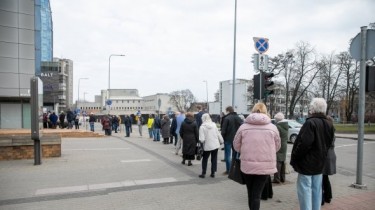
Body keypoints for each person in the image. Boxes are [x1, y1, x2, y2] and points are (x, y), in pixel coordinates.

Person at [233, 102, 281, 210]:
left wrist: (245, 150)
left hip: (247, 165)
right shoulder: (273, 128)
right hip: (265, 167)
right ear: (265, 111)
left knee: (251, 193)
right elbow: (277, 147)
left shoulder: (243, 127)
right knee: (257, 194)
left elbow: (236, 146)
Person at [290, 98, 335, 210]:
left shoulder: (310, 123)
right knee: (317, 190)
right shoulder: (329, 124)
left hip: (307, 164)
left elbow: (303, 144)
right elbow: (329, 143)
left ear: (313, 109)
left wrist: (295, 157)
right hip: (320, 162)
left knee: (305, 190)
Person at [198, 113, 224, 178]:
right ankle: (213, 173)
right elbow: (218, 134)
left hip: (207, 146)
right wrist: (221, 141)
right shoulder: (214, 125)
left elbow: (202, 139)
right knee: (214, 158)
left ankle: (203, 173)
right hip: (215, 145)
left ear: (203, 119)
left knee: (205, 159)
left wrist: (201, 142)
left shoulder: (202, 127)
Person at [221, 106, 243, 175]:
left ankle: (229, 170)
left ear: (228, 111)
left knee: (227, 155)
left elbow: (223, 130)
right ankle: (235, 169)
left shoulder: (227, 118)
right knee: (235, 155)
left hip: (228, 139)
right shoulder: (239, 118)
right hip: (237, 139)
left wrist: (223, 138)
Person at [321, 116, 336, 206]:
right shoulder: (332, 129)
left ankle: (324, 197)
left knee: (322, 178)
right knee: (325, 178)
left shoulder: (327, 131)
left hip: (326, 156)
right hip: (330, 155)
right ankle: (328, 196)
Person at [273, 112, 289, 183]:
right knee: (282, 161)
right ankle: (283, 178)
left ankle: (277, 178)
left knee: (278, 162)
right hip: (284, 145)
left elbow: (275, 137)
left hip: (279, 145)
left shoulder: (278, 126)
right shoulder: (285, 126)